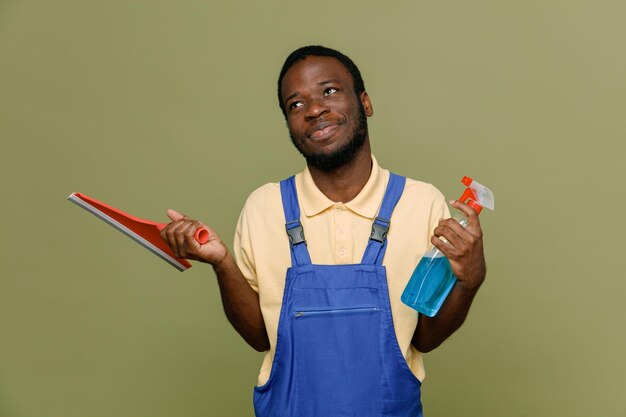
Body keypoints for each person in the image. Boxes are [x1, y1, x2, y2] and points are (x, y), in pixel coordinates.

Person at [160, 45, 487, 417]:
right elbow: (260, 338)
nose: (314, 109)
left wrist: (470, 279)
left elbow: (424, 338)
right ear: (289, 125)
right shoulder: (264, 207)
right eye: (295, 105)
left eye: (329, 91)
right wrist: (222, 263)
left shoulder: (421, 203)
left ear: (365, 102)